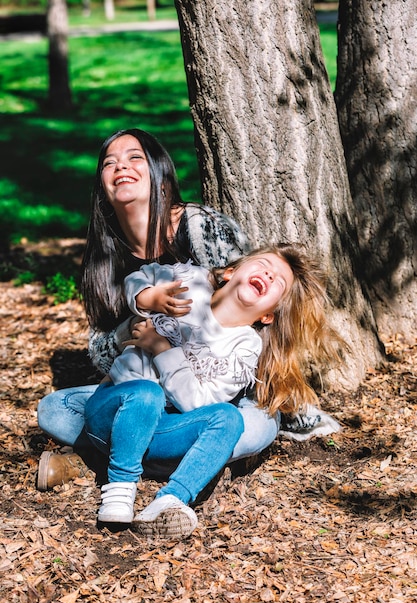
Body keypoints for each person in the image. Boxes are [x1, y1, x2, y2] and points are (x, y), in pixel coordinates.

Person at [36, 128, 342, 536]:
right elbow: (101, 352)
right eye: (110, 162)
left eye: (135, 158)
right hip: (139, 388)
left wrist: (163, 346)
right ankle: (165, 459)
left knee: (255, 427)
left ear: (160, 173)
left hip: (213, 395)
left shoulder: (197, 229)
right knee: (55, 409)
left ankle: (106, 462)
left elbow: (248, 307)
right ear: (102, 186)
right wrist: (137, 316)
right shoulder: (105, 256)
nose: (121, 167)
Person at [84, 246, 296, 529]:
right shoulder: (189, 282)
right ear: (229, 273)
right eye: (264, 264)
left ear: (267, 316)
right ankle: (121, 486)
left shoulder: (245, 347)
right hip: (118, 407)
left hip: (164, 426)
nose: (269, 274)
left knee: (229, 418)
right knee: (143, 394)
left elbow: (199, 403)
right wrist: (149, 296)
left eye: (278, 282)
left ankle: (171, 500)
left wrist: (160, 348)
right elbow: (140, 276)